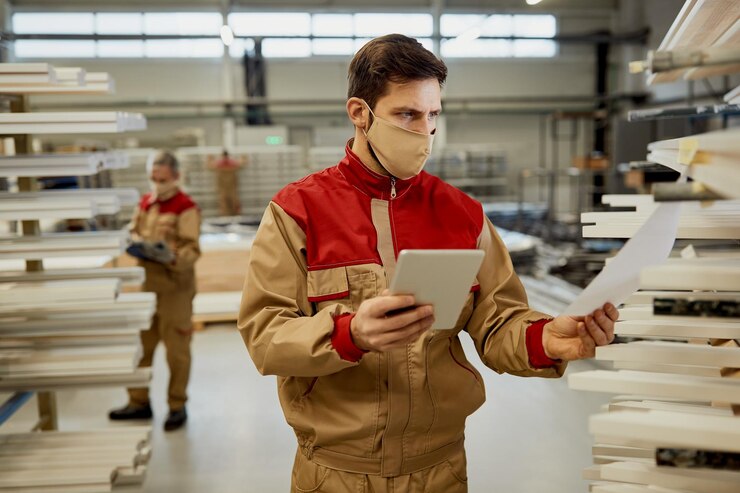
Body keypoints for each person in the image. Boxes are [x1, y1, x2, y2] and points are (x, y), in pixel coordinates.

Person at [238, 34, 618, 492]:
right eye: (407, 115)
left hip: (439, 469)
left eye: (432, 115)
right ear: (360, 113)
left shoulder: (462, 214)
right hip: (335, 473)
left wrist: (546, 340)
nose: (423, 132)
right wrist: (350, 333)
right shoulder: (297, 212)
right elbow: (266, 335)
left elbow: (498, 322)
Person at [109, 150, 201, 432]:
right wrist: (133, 241)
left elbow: (192, 250)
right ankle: (138, 402)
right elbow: (134, 230)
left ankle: (176, 406)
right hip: (147, 287)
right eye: (153, 178)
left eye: (162, 179)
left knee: (177, 352)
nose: (157, 184)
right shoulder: (146, 203)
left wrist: (170, 257)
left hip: (175, 289)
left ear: (176, 177)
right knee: (141, 348)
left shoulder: (185, 207)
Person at [207, 149, 244, 216]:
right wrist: (243, 157)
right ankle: (232, 215)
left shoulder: (219, 164)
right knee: (231, 202)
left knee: (225, 202)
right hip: (229, 188)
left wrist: (209, 158)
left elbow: (210, 166)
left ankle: (225, 216)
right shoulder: (232, 163)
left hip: (225, 188)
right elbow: (241, 164)